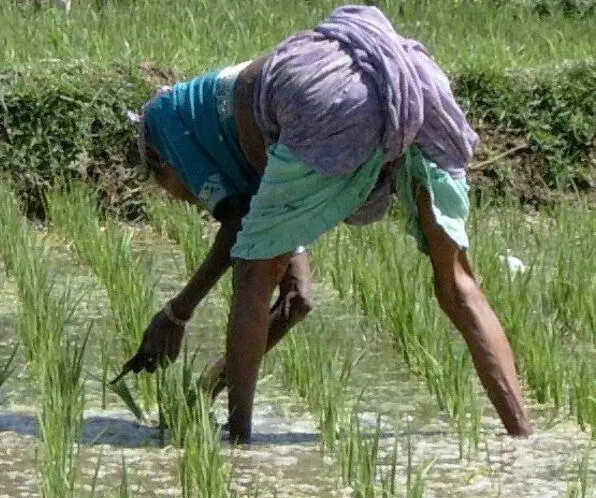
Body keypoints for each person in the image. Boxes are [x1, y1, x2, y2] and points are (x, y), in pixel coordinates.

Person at [121, 5, 535, 443]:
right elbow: (295, 293)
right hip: (417, 86)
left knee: (253, 272)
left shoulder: (163, 120)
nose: (184, 199)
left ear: (159, 164)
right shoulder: (251, 154)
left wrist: (177, 313)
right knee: (456, 282)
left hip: (328, 96)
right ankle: (522, 437)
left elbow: (239, 225)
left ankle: (237, 442)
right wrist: (202, 388)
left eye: (169, 188)